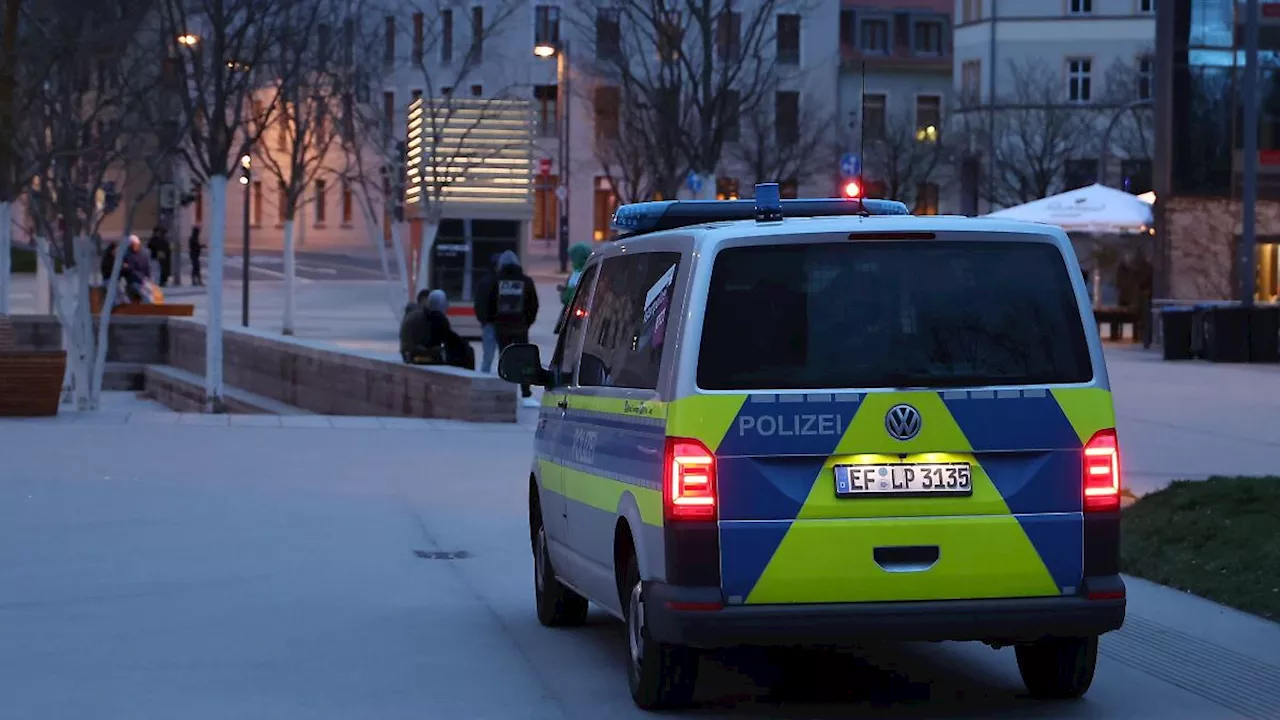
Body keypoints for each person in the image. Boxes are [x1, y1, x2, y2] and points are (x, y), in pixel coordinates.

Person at [486, 250, 539, 406]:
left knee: (504, 358)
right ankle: (525, 392)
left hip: (501, 328)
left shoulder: (495, 281)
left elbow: (488, 303)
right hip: (520, 328)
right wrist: (527, 322)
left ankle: (505, 389)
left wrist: (492, 321)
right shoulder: (526, 281)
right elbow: (533, 305)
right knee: (523, 359)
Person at [400, 289, 475, 369]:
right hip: (416, 357)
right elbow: (446, 337)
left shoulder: (418, 314)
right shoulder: (434, 317)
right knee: (457, 355)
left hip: (410, 354)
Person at [474, 253, 500, 373]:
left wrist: (483, 320)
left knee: (488, 356)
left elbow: (479, 303)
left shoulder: (484, 281)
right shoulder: (500, 281)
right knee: (502, 355)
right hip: (498, 322)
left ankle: (484, 375)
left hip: (488, 323)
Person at [122, 235, 153, 303]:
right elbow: (147, 267)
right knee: (141, 298)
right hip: (139, 280)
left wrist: (126, 267)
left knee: (145, 298)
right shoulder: (143, 253)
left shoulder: (128, 255)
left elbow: (128, 268)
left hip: (136, 280)